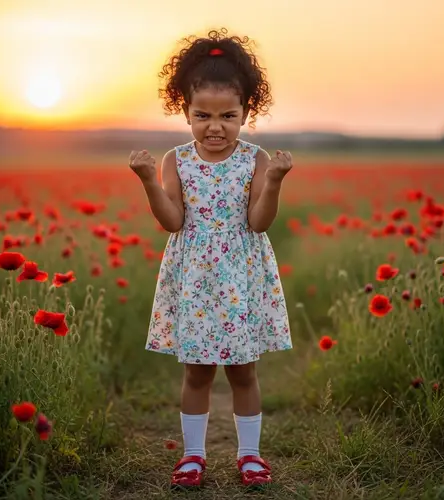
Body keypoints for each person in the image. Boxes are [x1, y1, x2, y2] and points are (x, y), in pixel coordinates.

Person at [128, 27, 293, 489]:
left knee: (243, 370)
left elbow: (258, 222)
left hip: (240, 275)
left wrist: (276, 181)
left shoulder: (255, 159)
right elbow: (172, 222)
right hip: (195, 277)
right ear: (185, 112)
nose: (214, 126)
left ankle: (251, 456)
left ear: (246, 113)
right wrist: (147, 181)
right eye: (202, 115)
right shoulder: (175, 160)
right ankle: (193, 457)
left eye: (228, 115)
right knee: (197, 370)